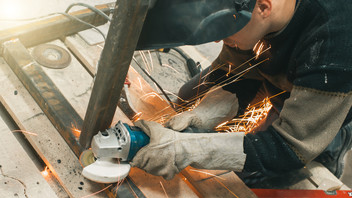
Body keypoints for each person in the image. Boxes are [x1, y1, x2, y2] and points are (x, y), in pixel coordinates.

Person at [130, 0, 352, 181]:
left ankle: (333, 149)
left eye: (226, 28)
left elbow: (287, 148)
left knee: (262, 171)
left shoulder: (333, 42)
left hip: (326, 94)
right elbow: (237, 73)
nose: (216, 38)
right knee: (188, 97)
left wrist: (188, 150)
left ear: (264, 7)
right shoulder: (249, 10)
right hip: (284, 66)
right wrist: (204, 113)